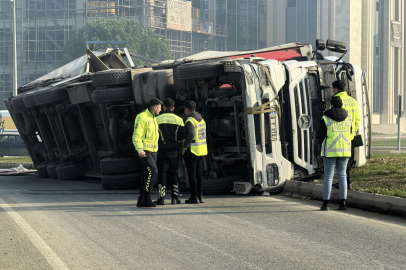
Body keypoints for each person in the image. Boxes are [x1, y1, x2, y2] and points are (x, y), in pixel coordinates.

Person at [319, 96, 352, 211]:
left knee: (328, 176)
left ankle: (326, 204)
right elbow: (350, 132)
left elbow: (321, 135)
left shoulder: (326, 118)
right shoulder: (348, 118)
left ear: (331, 105)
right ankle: (343, 203)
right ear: (341, 105)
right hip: (345, 151)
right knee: (342, 175)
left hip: (330, 151)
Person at [133, 98, 163, 208]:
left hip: (154, 151)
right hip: (145, 151)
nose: (160, 110)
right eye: (159, 108)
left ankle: (141, 200)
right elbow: (137, 135)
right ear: (155, 107)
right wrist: (140, 150)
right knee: (153, 171)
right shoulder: (142, 117)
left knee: (146, 174)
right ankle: (147, 198)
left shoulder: (154, 118)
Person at [155, 98, 185, 205]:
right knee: (174, 173)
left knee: (162, 173)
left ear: (163, 107)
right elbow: (182, 135)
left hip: (161, 149)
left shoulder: (157, 119)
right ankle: (174, 198)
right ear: (173, 108)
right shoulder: (179, 119)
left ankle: (161, 198)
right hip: (174, 150)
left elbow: (154, 135)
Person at [332, 80, 360, 190]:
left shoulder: (337, 100)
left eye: (333, 89)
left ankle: (345, 183)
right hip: (351, 135)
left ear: (335, 89)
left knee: (340, 161)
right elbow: (357, 118)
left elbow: (333, 117)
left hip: (340, 136)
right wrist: (353, 132)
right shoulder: (353, 101)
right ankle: (347, 182)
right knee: (347, 161)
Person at [183, 100, 208, 204]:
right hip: (201, 150)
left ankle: (194, 197)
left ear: (187, 110)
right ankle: (200, 196)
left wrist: (185, 145)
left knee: (192, 175)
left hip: (192, 150)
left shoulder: (190, 120)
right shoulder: (201, 120)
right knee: (199, 174)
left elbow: (191, 134)